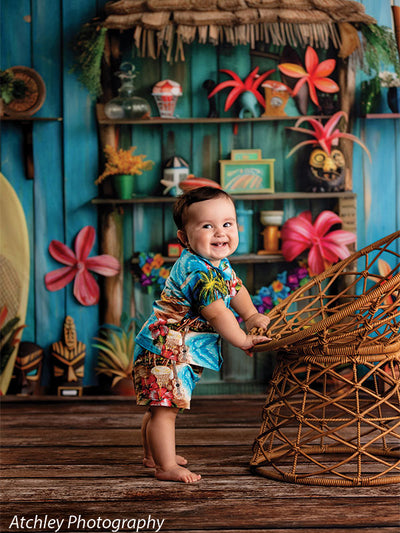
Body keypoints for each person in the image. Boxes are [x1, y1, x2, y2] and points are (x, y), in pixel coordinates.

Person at [133, 186, 271, 483]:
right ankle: (165, 466)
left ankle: (152, 455)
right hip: (164, 348)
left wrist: (250, 315)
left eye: (227, 224)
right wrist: (243, 340)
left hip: (172, 347)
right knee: (164, 409)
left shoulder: (219, 264)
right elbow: (218, 312)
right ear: (184, 237)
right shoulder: (197, 270)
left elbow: (236, 289)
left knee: (160, 405)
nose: (220, 232)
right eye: (207, 225)